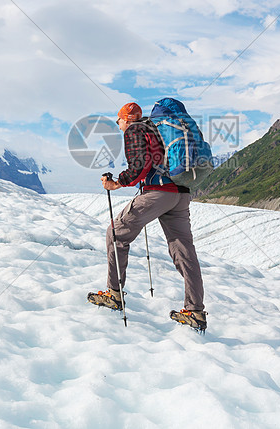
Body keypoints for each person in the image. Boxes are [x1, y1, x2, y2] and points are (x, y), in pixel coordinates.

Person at [88, 102, 207, 331]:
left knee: (116, 234)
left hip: (159, 193)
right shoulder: (158, 129)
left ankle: (114, 294)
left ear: (126, 119)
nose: (119, 125)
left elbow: (139, 166)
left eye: (118, 121)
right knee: (184, 251)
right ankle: (195, 311)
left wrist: (117, 182)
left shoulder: (135, 130)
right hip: (180, 194)